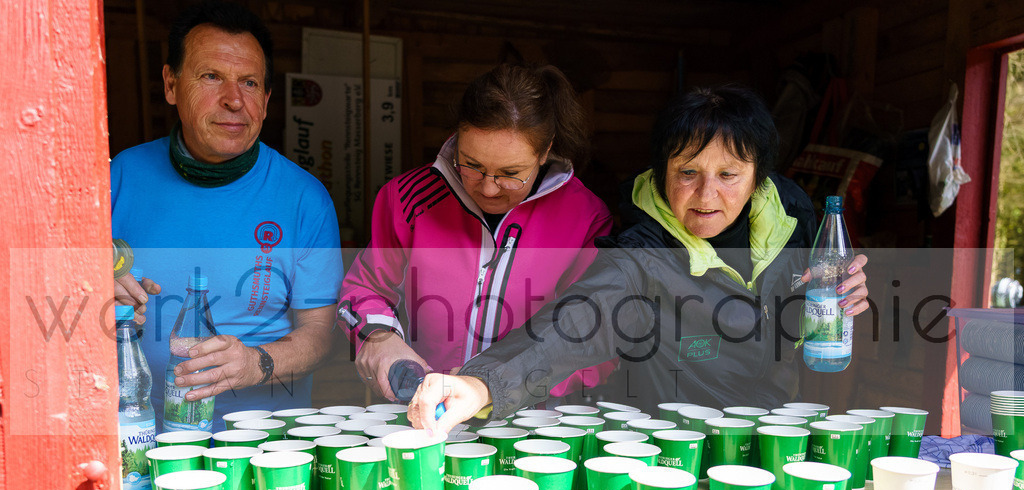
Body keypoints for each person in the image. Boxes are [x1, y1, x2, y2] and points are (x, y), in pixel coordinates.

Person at [409, 85, 870, 431]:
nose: (707, 195)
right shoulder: (640, 255)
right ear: (660, 170)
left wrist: (836, 302)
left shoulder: (792, 219)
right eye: (687, 173)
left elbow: (802, 329)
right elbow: (573, 324)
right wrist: (482, 384)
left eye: (728, 174)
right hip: (672, 447)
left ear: (758, 178)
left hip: (776, 434)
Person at [111, 1, 343, 429]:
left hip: (262, 447)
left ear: (267, 99)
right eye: (211, 76)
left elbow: (320, 336)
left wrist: (256, 363)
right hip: (137, 439)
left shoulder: (304, 199)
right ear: (171, 84)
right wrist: (91, 286)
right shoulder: (117, 178)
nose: (234, 100)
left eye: (250, 83)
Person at [337, 62, 617, 401]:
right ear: (456, 138)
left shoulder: (585, 218)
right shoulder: (408, 198)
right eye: (471, 165)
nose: (487, 189)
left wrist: (497, 385)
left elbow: (594, 341)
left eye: (511, 173)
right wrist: (379, 338)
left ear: (545, 152)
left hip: (530, 425)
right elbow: (363, 288)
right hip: (424, 410)